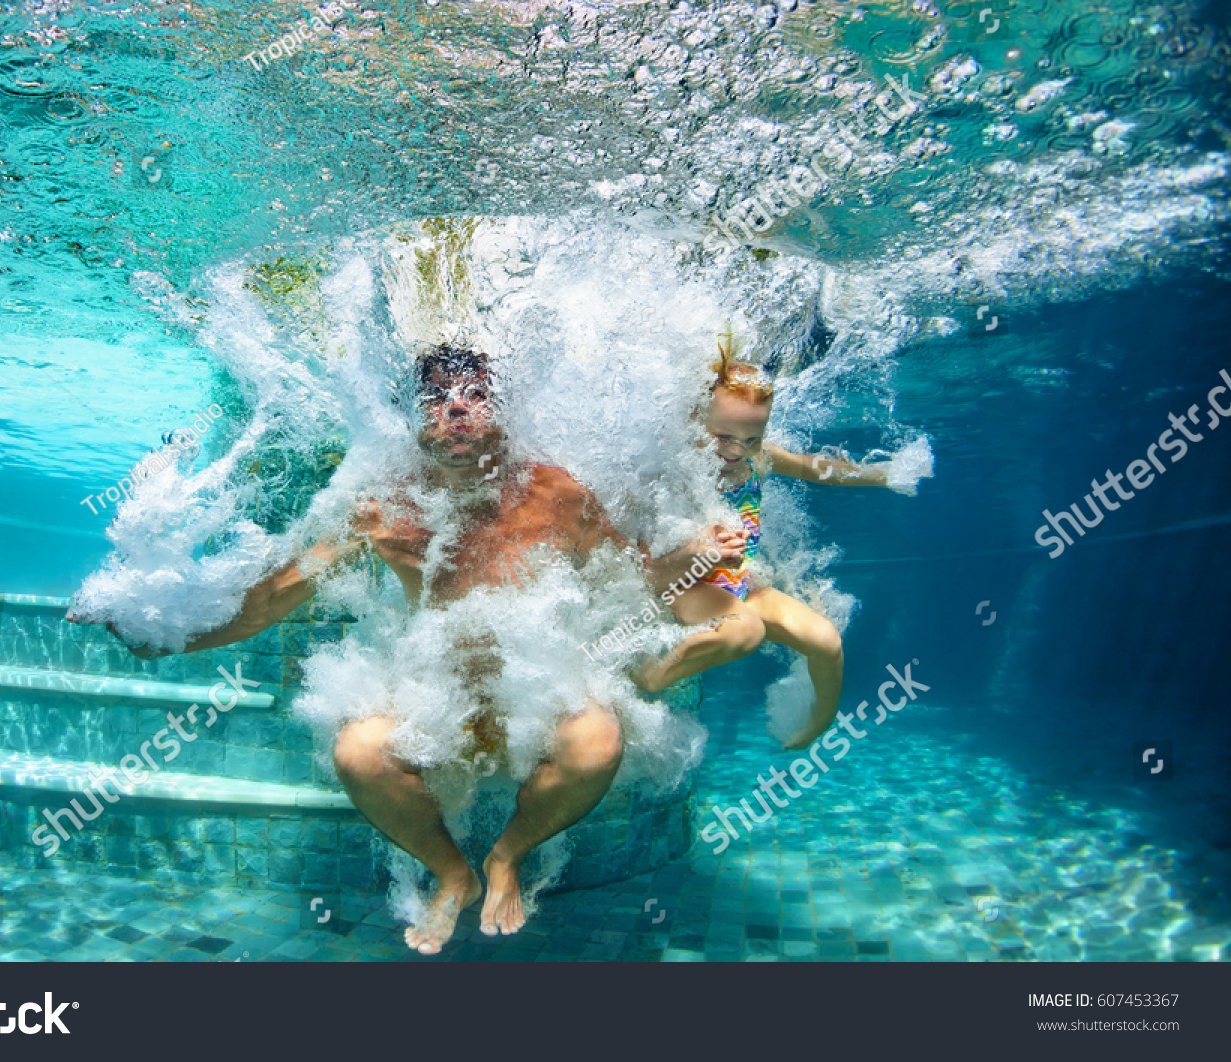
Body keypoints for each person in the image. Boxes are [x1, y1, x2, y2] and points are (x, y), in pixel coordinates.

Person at [70, 345, 703, 954]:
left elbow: (637, 574)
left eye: (477, 395)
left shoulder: (554, 494)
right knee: (359, 752)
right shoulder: (382, 506)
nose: (457, 409)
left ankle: (507, 855)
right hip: (433, 696)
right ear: (410, 418)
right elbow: (271, 598)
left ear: (504, 412)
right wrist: (173, 638)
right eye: (437, 399)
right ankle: (453, 873)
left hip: (534, 696)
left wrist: (713, 577)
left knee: (598, 744)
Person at [631, 344, 925, 749]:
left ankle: (816, 725)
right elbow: (642, 565)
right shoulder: (674, 473)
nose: (736, 450)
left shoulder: (758, 460)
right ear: (694, 419)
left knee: (826, 641)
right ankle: (651, 675)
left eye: (752, 438)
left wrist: (880, 476)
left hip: (737, 585)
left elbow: (817, 469)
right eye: (723, 437)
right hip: (686, 588)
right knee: (746, 632)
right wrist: (699, 551)